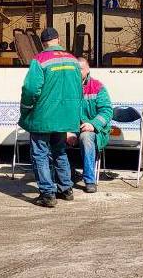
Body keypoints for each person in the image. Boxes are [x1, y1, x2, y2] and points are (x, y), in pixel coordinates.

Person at [19, 27, 83, 208]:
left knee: (40, 154)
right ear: (58, 39)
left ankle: (47, 194)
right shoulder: (72, 60)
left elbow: (30, 89)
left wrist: (26, 108)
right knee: (60, 151)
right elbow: (80, 87)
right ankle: (66, 189)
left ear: (42, 42)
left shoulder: (39, 60)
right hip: (65, 117)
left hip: (43, 117)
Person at [75, 57, 113, 194]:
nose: (77, 72)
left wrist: (93, 125)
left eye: (80, 69)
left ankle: (89, 180)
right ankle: (64, 176)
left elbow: (107, 111)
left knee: (86, 137)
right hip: (72, 129)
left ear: (87, 70)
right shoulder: (66, 87)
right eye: (75, 69)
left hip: (95, 130)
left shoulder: (97, 86)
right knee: (52, 136)